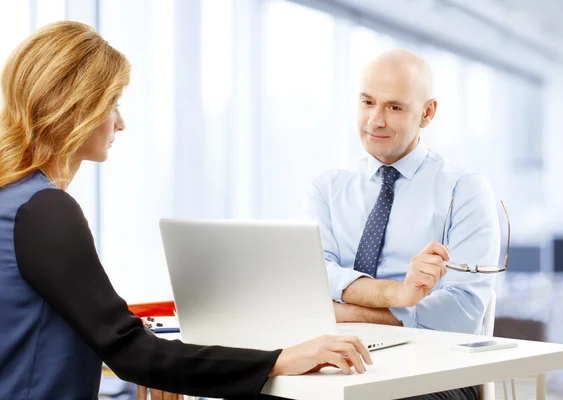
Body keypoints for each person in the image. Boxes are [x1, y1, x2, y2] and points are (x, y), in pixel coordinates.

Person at [0, 21, 372, 400]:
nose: (121, 123)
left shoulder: (12, 199)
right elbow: (128, 351)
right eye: (113, 104)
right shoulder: (45, 210)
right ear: (77, 108)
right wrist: (279, 360)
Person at [305, 50, 502, 400]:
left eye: (394, 107)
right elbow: (314, 275)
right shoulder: (328, 188)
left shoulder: (464, 189)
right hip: (337, 361)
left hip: (435, 371)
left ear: (427, 113)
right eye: (367, 102)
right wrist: (397, 296)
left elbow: (462, 312)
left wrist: (347, 312)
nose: (374, 120)